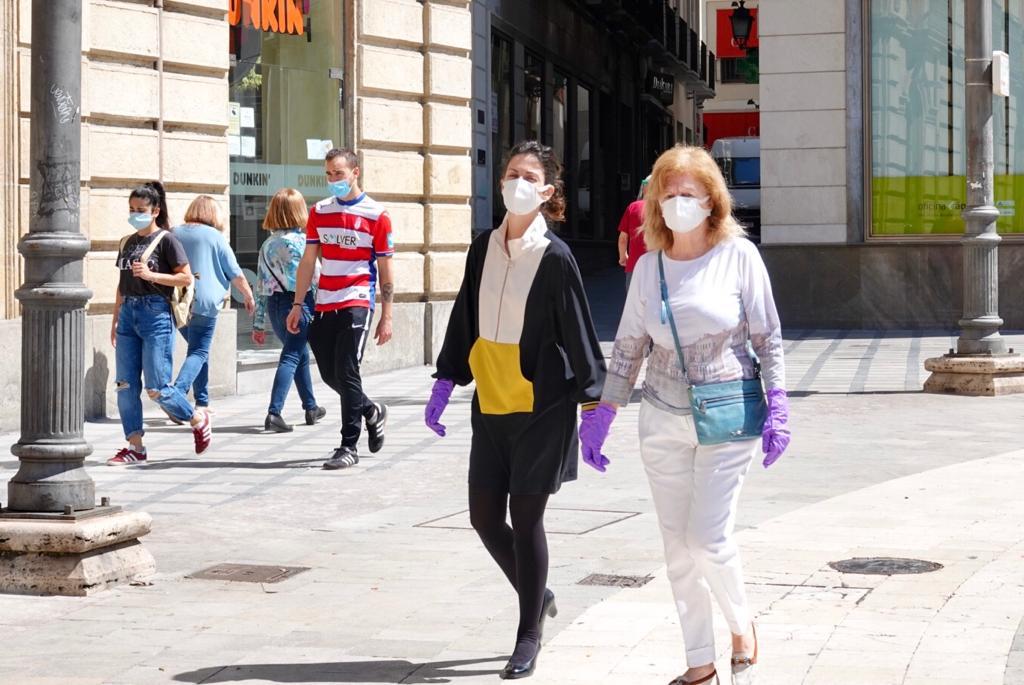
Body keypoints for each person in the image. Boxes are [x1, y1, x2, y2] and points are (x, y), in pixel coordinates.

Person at [579, 145, 791, 685]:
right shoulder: (648, 266)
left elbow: (767, 337)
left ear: (711, 200)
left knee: (706, 539)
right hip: (662, 417)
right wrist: (605, 411)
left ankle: (741, 625)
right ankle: (700, 665)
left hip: (727, 415)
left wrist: (780, 403)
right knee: (676, 551)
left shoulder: (739, 256)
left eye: (687, 193)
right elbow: (628, 345)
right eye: (668, 193)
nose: (677, 202)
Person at [424, 141, 606, 680]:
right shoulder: (483, 246)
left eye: (528, 177)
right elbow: (464, 315)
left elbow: (579, 332)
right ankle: (538, 591)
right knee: (484, 518)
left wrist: (595, 409)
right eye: (510, 174)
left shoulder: (554, 256)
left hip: (543, 407)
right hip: (492, 402)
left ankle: (528, 634)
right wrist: (446, 379)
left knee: (526, 520)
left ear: (547, 192)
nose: (516, 183)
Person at [287, 148, 392, 470]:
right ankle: (372, 410)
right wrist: (296, 304)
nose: (333, 180)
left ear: (355, 172)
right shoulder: (319, 211)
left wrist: (386, 315)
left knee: (348, 371)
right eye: (328, 174)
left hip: (357, 301)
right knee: (330, 374)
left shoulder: (377, 214)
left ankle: (348, 446)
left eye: (339, 173)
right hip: (324, 302)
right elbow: (308, 261)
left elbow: (386, 269)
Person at [109, 182, 212, 464]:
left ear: (155, 211)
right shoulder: (126, 242)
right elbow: (122, 283)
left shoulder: (167, 240)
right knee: (125, 384)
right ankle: (135, 447)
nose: (135, 214)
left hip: (156, 315)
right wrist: (115, 316)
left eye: (140, 210)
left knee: (157, 388)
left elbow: (186, 277)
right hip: (129, 312)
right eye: (131, 209)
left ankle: (196, 417)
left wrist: (153, 276)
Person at [169, 195, 255, 419]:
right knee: (199, 351)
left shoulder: (174, 232)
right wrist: (248, 295)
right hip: (205, 304)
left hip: (178, 302)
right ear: (213, 214)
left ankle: (202, 401)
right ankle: (176, 395)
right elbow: (235, 272)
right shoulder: (215, 236)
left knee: (197, 351)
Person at [252, 188, 326, 432]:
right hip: (298, 303)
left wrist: (258, 323)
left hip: (274, 303)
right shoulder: (304, 242)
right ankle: (274, 412)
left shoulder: (267, 244)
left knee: (298, 352)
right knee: (292, 355)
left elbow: (261, 286)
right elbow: (314, 279)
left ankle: (311, 407)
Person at [617, 176, 649, 292]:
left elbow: (623, 239)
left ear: (644, 189)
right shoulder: (664, 208)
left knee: (633, 307)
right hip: (658, 267)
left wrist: (623, 256)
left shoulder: (633, 207)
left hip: (634, 265)